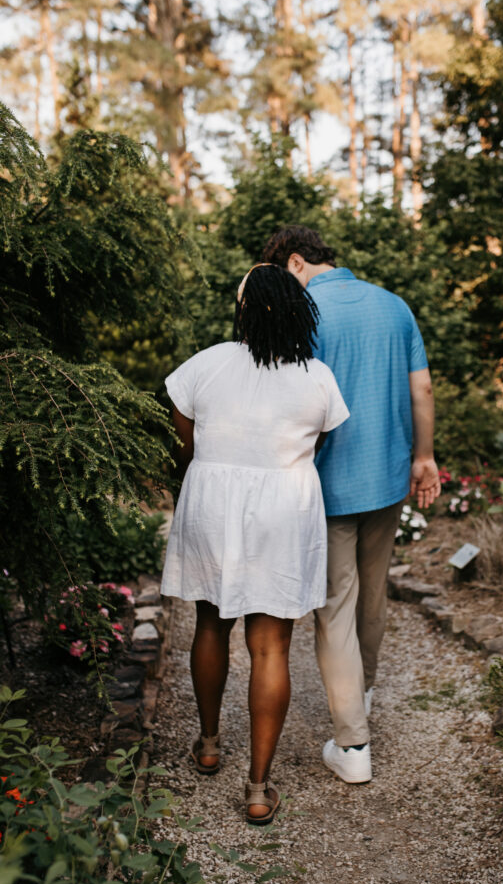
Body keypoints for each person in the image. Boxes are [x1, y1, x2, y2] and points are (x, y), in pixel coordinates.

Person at [160, 263, 349, 823]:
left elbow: (183, 436)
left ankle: (211, 742)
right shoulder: (317, 376)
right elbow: (323, 438)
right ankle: (260, 787)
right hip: (284, 510)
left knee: (211, 625)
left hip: (212, 500)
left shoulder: (207, 363)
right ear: (297, 311)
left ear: (243, 309)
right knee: (270, 648)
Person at [262, 226, 440, 784]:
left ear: (295, 262)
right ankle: (359, 690)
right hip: (387, 478)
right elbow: (423, 390)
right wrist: (425, 458)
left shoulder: (301, 312)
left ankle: (354, 744)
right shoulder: (395, 306)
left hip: (327, 485)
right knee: (372, 589)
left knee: (334, 602)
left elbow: (287, 402)